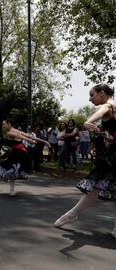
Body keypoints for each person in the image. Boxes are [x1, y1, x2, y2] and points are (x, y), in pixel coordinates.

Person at [54, 84, 116, 239]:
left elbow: (92, 119)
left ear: (102, 93)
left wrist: (89, 122)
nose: (90, 99)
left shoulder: (108, 106)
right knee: (112, 188)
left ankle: (72, 213)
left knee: (97, 185)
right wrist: (107, 137)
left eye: (92, 95)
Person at [0, 119, 50, 196]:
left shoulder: (15, 130)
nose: (3, 126)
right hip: (12, 154)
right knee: (5, 171)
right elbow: (21, 137)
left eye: (4, 124)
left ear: (9, 123)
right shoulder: (9, 133)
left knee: (13, 171)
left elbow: (27, 135)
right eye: (2, 125)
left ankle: (10, 190)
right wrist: (30, 140)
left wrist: (44, 141)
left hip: (19, 154)